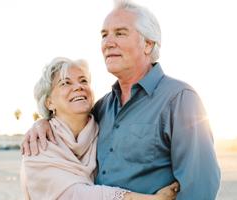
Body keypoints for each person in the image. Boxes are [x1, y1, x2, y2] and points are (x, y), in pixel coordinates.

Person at [22, 0, 221, 199]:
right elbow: (68, 125)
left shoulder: (180, 99)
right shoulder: (102, 107)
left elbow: (201, 186)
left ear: (148, 44)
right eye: (104, 35)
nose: (108, 43)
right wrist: (42, 122)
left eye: (120, 33)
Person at [21, 57, 179, 200]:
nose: (78, 87)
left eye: (83, 81)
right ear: (49, 103)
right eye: (65, 83)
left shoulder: (102, 125)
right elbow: (73, 195)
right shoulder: (37, 146)